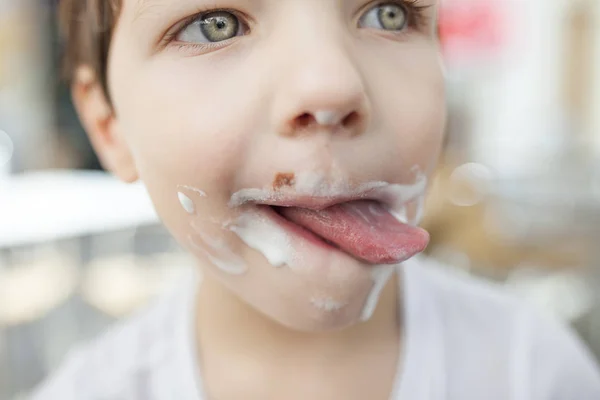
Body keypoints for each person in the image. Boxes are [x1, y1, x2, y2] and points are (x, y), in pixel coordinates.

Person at [32, 0, 600, 399]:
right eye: (216, 24)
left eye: (388, 12)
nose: (331, 85)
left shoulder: (534, 372)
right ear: (109, 126)